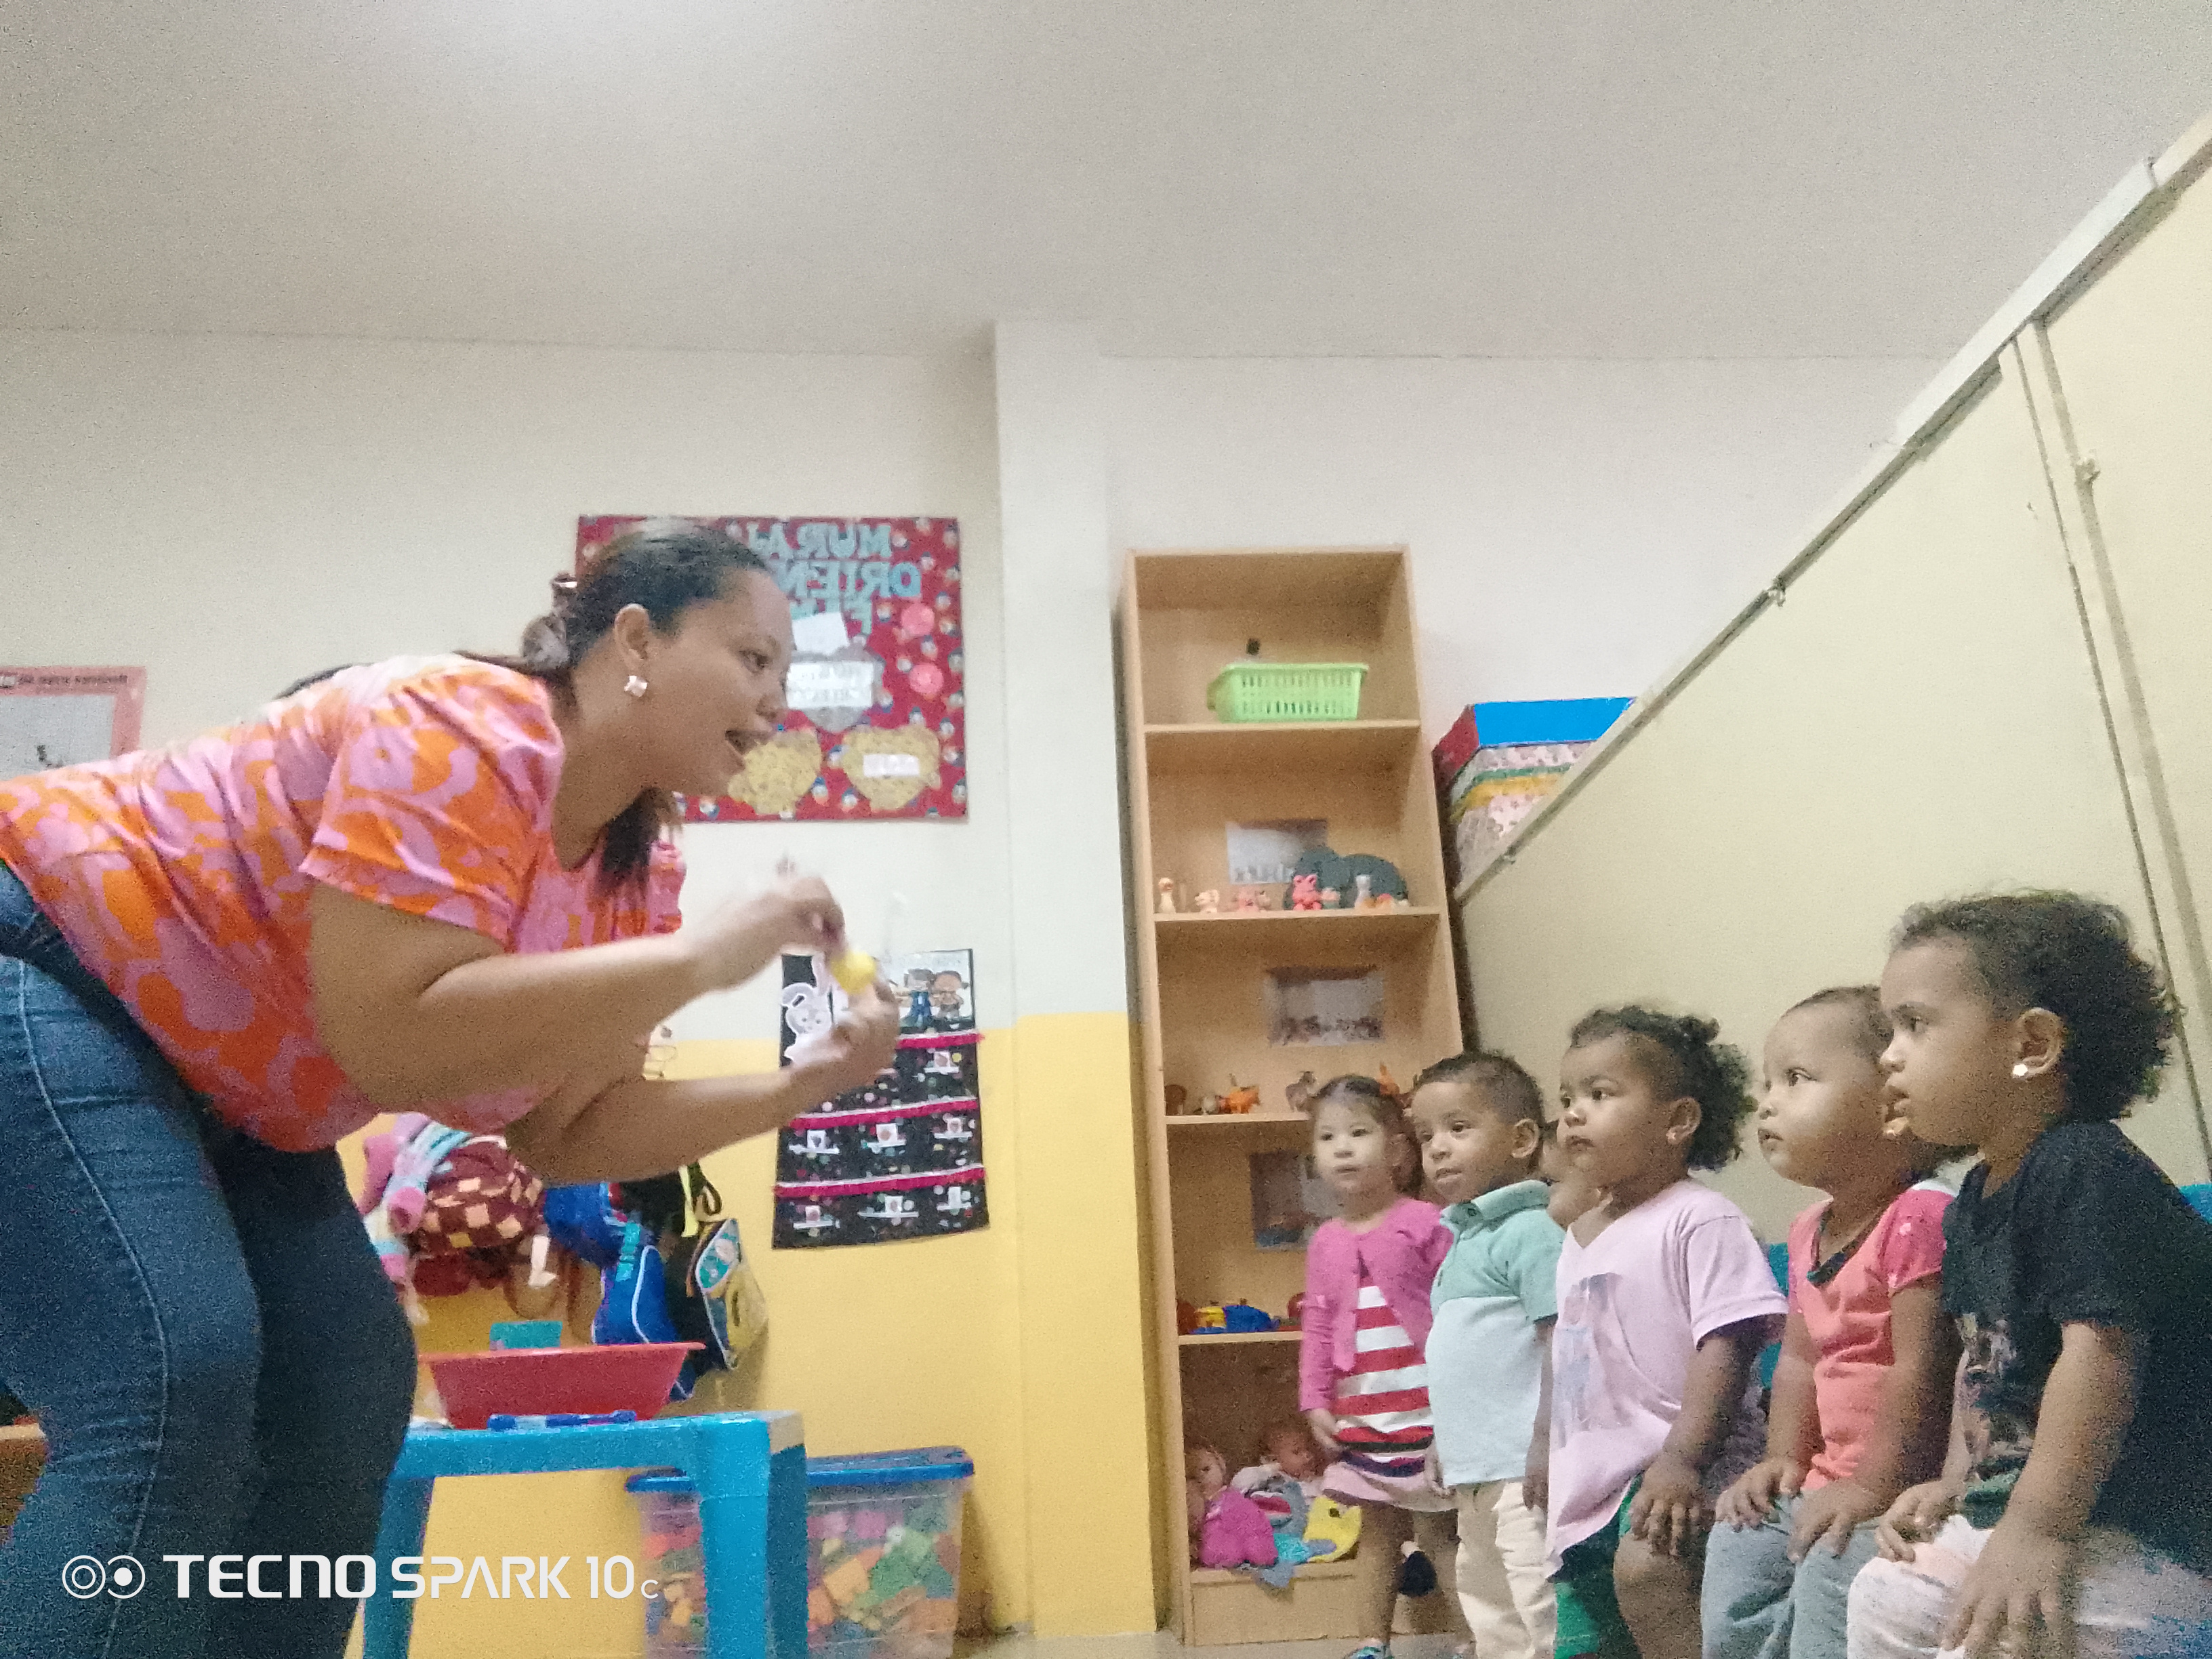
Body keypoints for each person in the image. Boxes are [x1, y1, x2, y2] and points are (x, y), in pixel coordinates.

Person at [0, 520, 901, 1659]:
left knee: (346, 1389)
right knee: (176, 1378)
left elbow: (568, 1135)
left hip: (232, 1089)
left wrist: (803, 1082)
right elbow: (393, 1041)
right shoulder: (456, 722)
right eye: (753, 657)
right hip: (55, 965)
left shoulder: (637, 874)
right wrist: (697, 962)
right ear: (635, 640)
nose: (777, 701)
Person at [1847, 892, 2212, 1658]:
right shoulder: (1973, 1201)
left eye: (1915, 1025)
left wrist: (2038, 1528)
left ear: (2034, 1044)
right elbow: (1981, 1365)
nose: (1889, 1055)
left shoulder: (2085, 1168)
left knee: (1996, 1637)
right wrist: (1961, 1484)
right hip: (2062, 1512)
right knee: (1888, 1592)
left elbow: (2101, 1354)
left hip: (2150, 1525)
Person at [1704, 988, 1957, 1659]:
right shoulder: (1807, 1230)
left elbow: (1923, 1365)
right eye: (1767, 1083)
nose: (1768, 1103)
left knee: (1833, 1573)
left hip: (1900, 1486)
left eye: (1796, 1078)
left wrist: (1873, 1485)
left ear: (1891, 1106)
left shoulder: (1922, 1214)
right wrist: (1783, 1460)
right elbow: (1798, 1360)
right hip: (1822, 1478)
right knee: (1737, 1539)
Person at [1540, 1007, 1787, 1659]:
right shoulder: (1578, 1235)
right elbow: (1566, 1352)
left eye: (1600, 1095)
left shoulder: (1700, 1218)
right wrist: (1542, 1447)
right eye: (1567, 1099)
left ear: (1677, 1121)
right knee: (1589, 1633)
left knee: (1651, 1578)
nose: (1573, 1114)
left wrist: (1683, 1461)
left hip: (1678, 1465)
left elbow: (1729, 1342)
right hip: (1592, 1481)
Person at [1298, 1073, 1468, 1658]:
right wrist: (1314, 1399)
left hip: (1427, 1411)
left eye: (1358, 1133)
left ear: (1397, 1150)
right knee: (1376, 1534)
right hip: (1364, 1414)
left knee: (1441, 1533)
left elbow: (1457, 1309)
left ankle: (1474, 1641)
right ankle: (1373, 1643)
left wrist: (1458, 1400)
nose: (1342, 1148)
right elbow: (1318, 1324)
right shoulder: (1325, 1241)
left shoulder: (1427, 1221)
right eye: (1327, 1137)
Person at [1410, 1051, 1566, 1659]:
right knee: (1487, 1601)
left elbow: (1562, 1340)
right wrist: (1443, 1438)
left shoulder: (1531, 1230)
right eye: (1426, 1136)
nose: (1438, 1148)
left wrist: (1546, 1439)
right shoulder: (1463, 1237)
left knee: (1538, 1598)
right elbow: (1467, 1364)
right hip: (1476, 1469)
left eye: (1458, 1128)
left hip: (1523, 1467)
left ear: (1522, 1140)